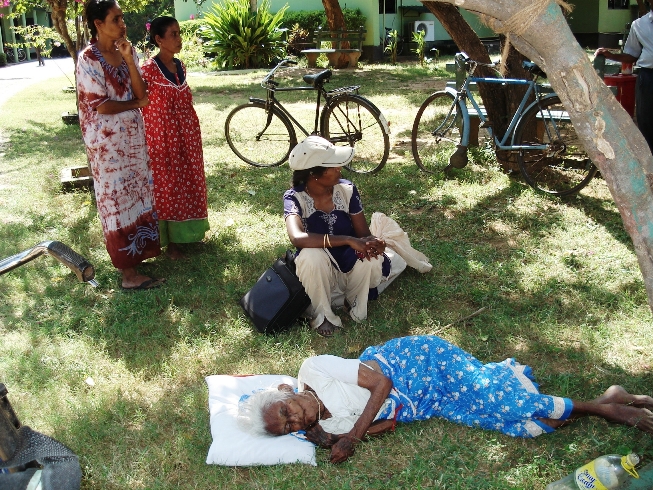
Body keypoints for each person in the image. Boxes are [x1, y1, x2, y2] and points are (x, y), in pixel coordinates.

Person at [238, 335, 653, 464]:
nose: (297, 421)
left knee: (500, 400)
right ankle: (607, 397)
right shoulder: (323, 430)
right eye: (290, 427)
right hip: (423, 403)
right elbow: (389, 424)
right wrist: (338, 437)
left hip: (418, 364)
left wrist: (352, 437)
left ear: (285, 392)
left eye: (287, 412)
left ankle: (605, 409)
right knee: (517, 424)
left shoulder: (313, 369)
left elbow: (379, 385)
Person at [76, 0, 163, 290]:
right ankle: (128, 275)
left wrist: (128, 61)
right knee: (116, 203)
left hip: (133, 142)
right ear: (99, 24)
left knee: (136, 196)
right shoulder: (88, 58)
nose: (123, 24)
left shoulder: (129, 51)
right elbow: (100, 105)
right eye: (116, 19)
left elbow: (142, 94)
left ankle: (138, 258)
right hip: (107, 147)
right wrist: (135, 104)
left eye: (123, 17)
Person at [283, 136, 396, 337]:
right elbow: (297, 238)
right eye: (333, 167)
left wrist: (374, 243)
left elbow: (363, 235)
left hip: (348, 259)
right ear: (314, 174)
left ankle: (351, 302)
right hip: (318, 269)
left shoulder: (347, 190)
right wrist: (347, 240)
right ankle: (323, 315)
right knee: (311, 257)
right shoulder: (295, 197)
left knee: (369, 259)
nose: (339, 169)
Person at [141, 16, 209, 260]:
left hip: (187, 136)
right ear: (159, 39)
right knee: (167, 187)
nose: (179, 39)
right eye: (173, 34)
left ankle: (188, 235)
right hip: (162, 138)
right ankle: (170, 243)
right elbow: (141, 102)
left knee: (188, 181)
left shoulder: (180, 66)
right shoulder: (148, 70)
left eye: (179, 33)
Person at [595, 8, 653, 152]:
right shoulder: (640, 24)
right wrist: (610, 55)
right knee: (647, 123)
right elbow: (632, 55)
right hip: (649, 78)